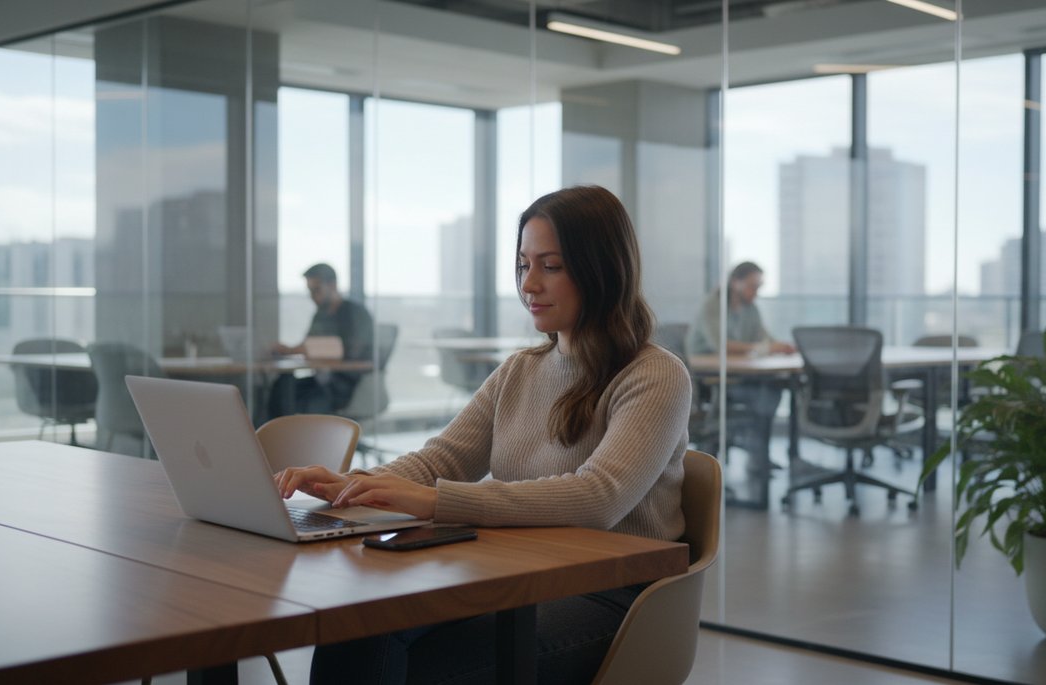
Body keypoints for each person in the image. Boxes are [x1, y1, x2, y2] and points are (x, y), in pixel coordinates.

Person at [275, 185, 692, 685]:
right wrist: (348, 485)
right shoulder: (521, 370)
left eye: (551, 266)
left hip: (610, 594)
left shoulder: (654, 375)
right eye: (523, 265)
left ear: (603, 269)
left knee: (422, 667)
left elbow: (598, 497)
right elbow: (442, 460)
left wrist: (434, 502)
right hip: (517, 574)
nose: (528, 284)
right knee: (361, 626)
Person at [685, 262, 793, 478]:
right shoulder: (714, 305)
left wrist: (780, 346)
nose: (756, 292)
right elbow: (721, 345)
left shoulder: (750, 309)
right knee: (765, 395)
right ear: (735, 283)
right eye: (753, 286)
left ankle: (758, 455)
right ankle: (756, 454)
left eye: (759, 286)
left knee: (773, 390)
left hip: (737, 375)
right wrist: (762, 348)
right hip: (708, 380)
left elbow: (764, 338)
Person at [268, 263, 374, 417]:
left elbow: (350, 351)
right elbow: (307, 344)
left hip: (346, 384)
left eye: (316, 290)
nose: (312, 296)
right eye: (309, 291)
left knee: (310, 401)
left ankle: (304, 438)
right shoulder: (320, 315)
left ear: (332, 285)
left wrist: (305, 349)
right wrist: (289, 350)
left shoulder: (355, 313)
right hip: (321, 381)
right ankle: (272, 438)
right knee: (281, 389)